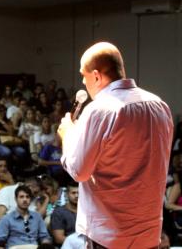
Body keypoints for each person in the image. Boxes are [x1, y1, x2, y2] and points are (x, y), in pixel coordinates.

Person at [58, 42, 174, 248]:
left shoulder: (100, 109)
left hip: (110, 236)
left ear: (96, 76)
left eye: (83, 76)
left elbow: (79, 171)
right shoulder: (160, 104)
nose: (83, 82)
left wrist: (68, 134)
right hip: (149, 234)